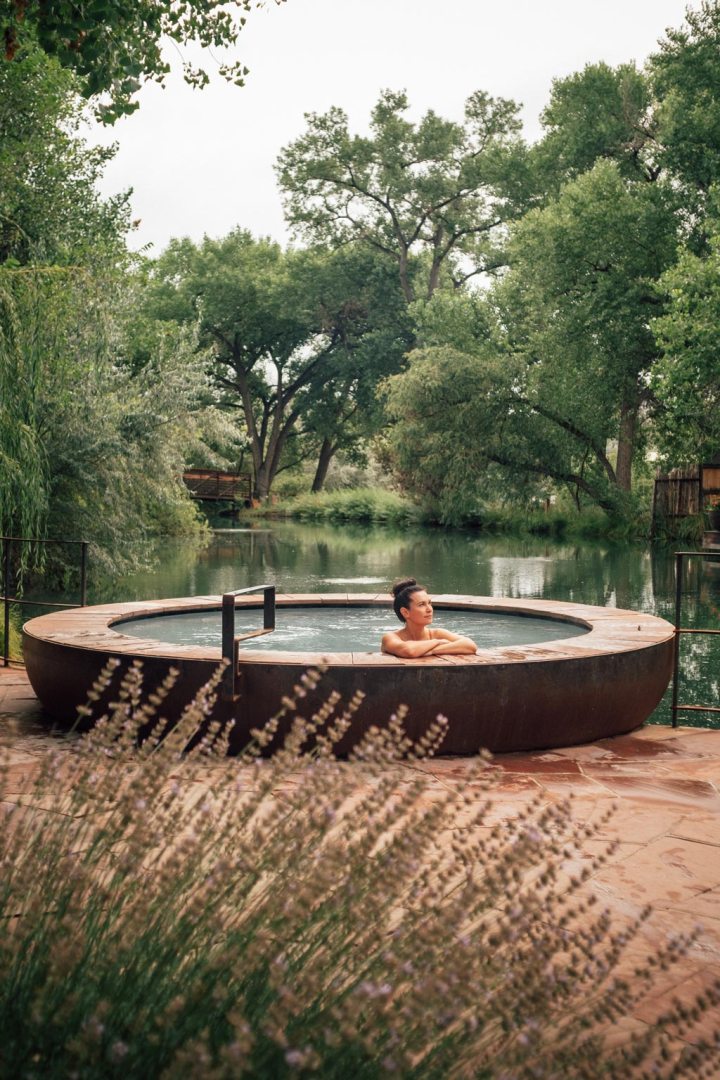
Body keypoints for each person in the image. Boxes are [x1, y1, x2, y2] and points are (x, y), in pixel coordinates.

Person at [381, 577, 478, 658]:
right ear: (405, 612)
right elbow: (408, 650)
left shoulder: (438, 633)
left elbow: (470, 645)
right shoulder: (390, 637)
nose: (429, 609)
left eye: (429, 603)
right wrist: (438, 642)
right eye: (421, 604)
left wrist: (432, 650)